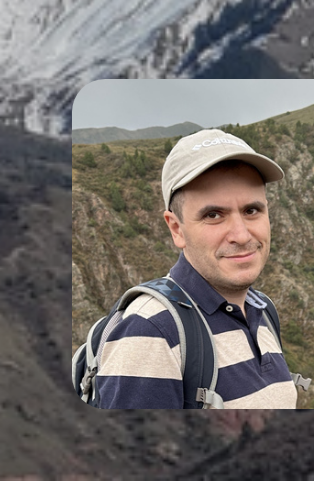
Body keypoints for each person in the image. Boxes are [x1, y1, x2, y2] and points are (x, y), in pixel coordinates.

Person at [90, 128, 299, 408]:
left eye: (252, 210)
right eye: (214, 215)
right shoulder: (152, 332)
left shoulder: (263, 310)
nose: (241, 235)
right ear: (177, 229)